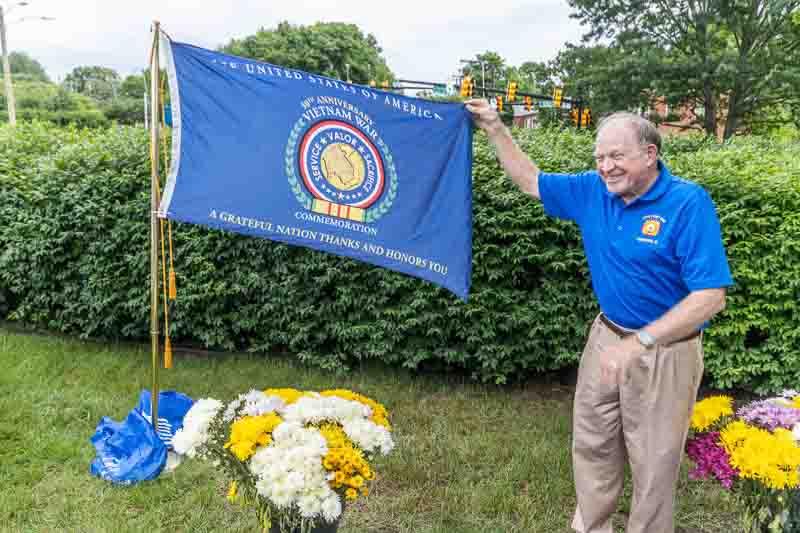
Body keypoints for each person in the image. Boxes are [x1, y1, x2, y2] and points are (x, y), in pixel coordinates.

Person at [465, 100, 733, 533]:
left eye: (617, 156)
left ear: (650, 154)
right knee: (592, 441)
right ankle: (592, 526)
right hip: (607, 337)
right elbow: (531, 181)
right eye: (600, 157)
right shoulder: (593, 191)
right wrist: (495, 128)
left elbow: (709, 297)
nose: (606, 166)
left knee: (654, 461)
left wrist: (641, 342)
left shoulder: (687, 204)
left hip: (665, 352)